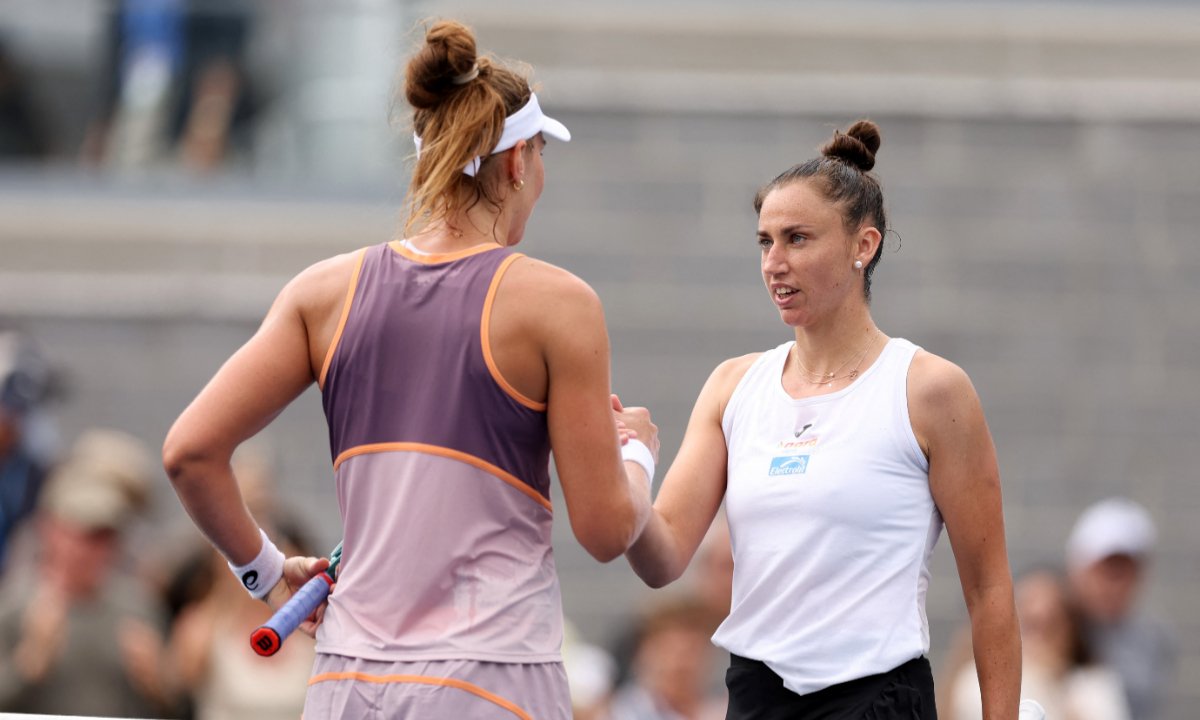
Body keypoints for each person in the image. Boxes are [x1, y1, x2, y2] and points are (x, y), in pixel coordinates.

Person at [163, 19, 656, 720]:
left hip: (344, 685)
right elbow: (608, 531)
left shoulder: (322, 292)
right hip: (491, 682)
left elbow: (189, 453)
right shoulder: (559, 304)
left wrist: (266, 573)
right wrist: (636, 454)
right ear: (519, 162)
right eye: (541, 154)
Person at [620, 120, 1022, 719]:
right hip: (757, 699)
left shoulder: (930, 389)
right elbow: (661, 559)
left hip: (877, 699)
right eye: (765, 242)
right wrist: (631, 460)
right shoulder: (733, 386)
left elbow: (989, 590)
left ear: (864, 245)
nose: (774, 263)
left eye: (798, 239)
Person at [0, 428, 179, 717]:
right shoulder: (15, 604)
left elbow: (176, 706)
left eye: (104, 536)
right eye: (81, 533)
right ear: (50, 529)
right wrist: (29, 665)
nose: (89, 550)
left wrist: (159, 685)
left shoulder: (138, 608)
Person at [951, 568, 1129, 720]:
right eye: (1031, 625)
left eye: (1050, 625)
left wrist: (1052, 684)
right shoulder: (977, 681)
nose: (1038, 641)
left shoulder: (1095, 685)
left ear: (1071, 629)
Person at [1065, 497, 1175, 720]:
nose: (1114, 585)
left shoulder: (1155, 639)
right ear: (1078, 569)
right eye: (1106, 570)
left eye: (1125, 571)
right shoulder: (1050, 628)